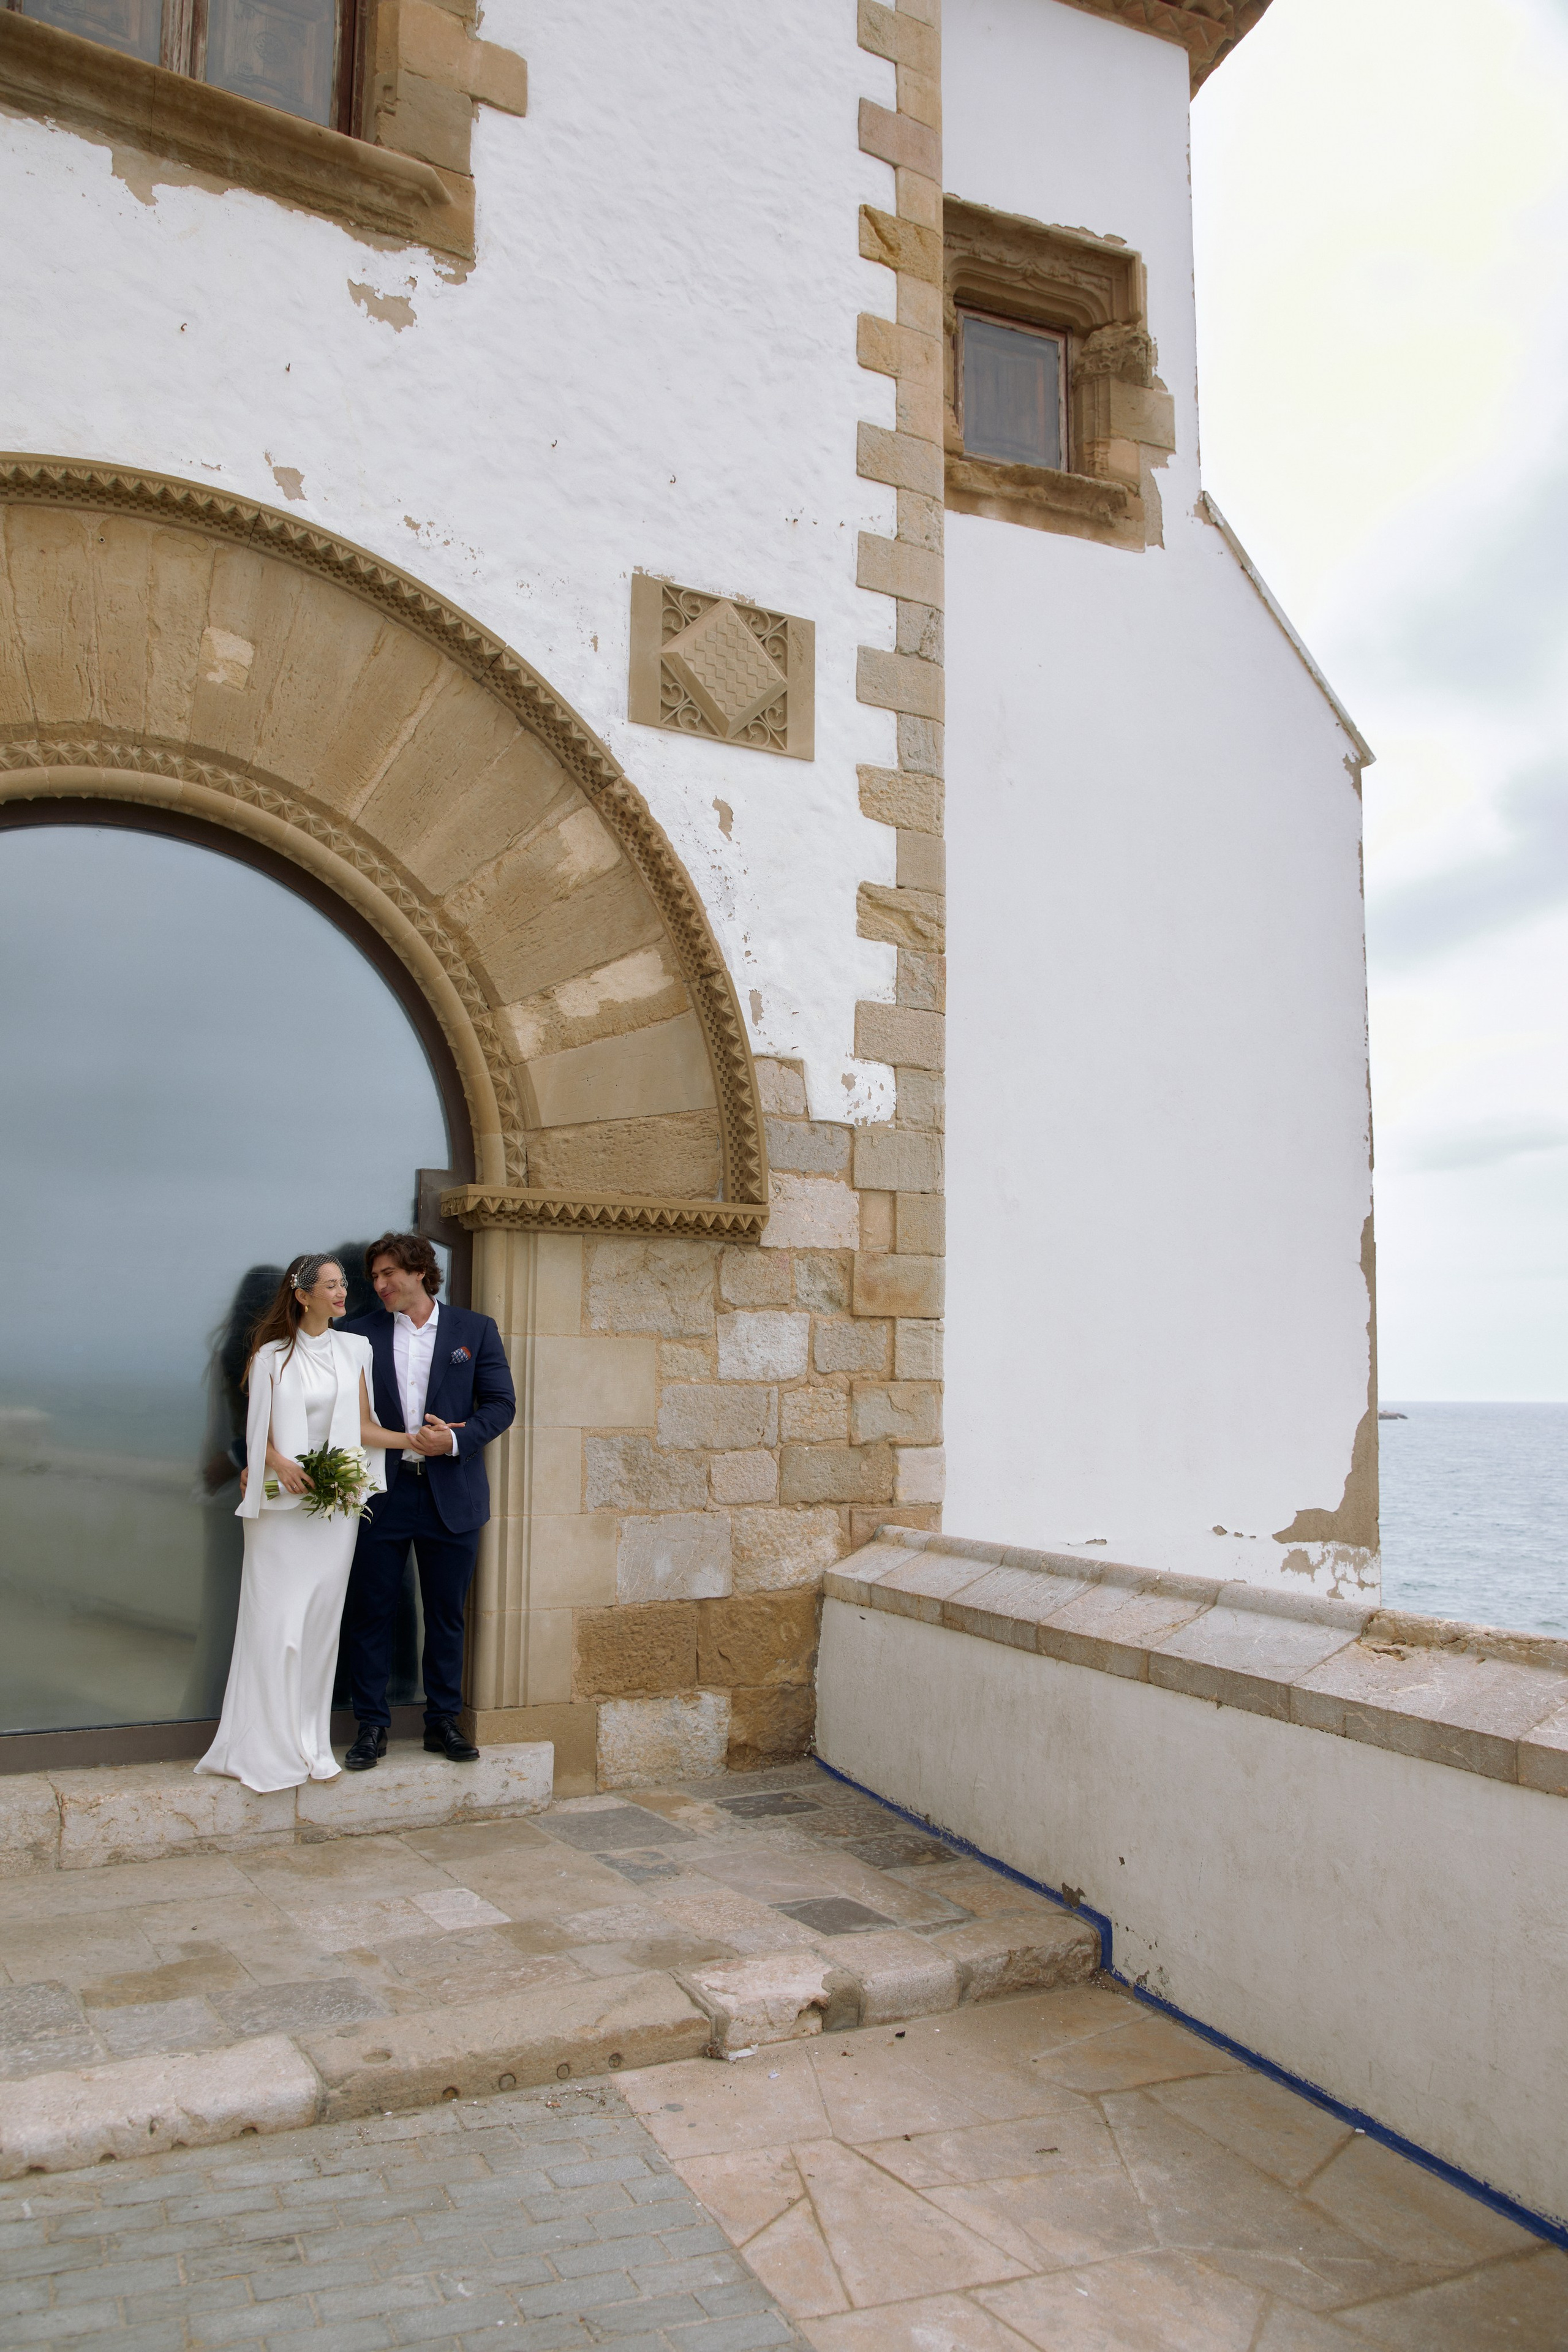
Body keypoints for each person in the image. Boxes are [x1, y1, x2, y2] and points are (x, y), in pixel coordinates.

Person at [194, 1255, 417, 1793]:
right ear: (303, 1295)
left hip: (335, 1512)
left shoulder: (355, 1348)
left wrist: (414, 1441)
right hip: (280, 1513)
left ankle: (308, 1742)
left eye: (344, 1285)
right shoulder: (271, 1355)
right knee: (276, 1627)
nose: (344, 1293)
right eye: (333, 1286)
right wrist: (277, 1462)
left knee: (318, 1628)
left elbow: (364, 1427)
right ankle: (262, 1744)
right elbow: (256, 1433)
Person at [339, 1233, 516, 1769]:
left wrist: (456, 1439)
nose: (380, 1285)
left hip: (452, 1494)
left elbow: (502, 1404)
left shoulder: (474, 1329)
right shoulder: (356, 1334)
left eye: (389, 1273)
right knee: (372, 1613)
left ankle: (443, 1723)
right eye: (374, 1277)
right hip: (382, 1493)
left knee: (445, 1614)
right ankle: (371, 1725)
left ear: (420, 1272)